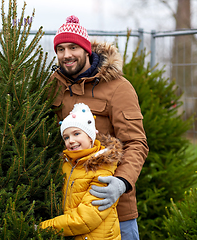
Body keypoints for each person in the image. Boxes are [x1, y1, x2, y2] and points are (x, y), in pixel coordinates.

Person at [49, 15, 149, 239]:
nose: (67, 55)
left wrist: (121, 183)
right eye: (61, 49)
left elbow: (136, 143)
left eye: (73, 47)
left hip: (112, 206)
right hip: (68, 211)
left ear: (86, 50)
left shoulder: (118, 88)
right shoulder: (53, 87)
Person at [39, 103, 123, 240]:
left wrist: (43, 227)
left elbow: (86, 219)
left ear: (90, 136)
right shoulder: (67, 164)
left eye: (76, 134)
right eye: (66, 137)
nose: (71, 141)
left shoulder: (101, 167)